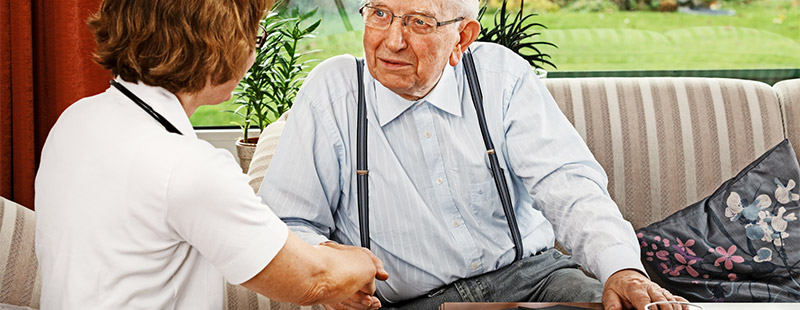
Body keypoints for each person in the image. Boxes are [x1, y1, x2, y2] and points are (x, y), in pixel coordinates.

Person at [258, 0, 687, 309]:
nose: (392, 41)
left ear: (461, 36)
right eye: (379, 14)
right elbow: (289, 222)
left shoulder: (500, 75)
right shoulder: (333, 92)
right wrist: (332, 277)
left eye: (419, 23)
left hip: (535, 281)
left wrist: (621, 268)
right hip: (407, 303)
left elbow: (567, 185)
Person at [34, 0, 389, 309]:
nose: (253, 53)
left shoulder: (76, 119)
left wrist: (322, 261)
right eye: (255, 38)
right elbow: (312, 280)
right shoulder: (187, 168)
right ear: (218, 48)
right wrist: (361, 263)